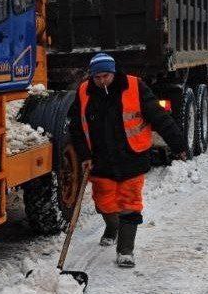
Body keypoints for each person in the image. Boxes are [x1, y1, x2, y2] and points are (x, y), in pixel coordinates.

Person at [68, 52, 188, 268]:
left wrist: (178, 144)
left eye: (106, 76)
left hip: (131, 156)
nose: (102, 81)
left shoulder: (134, 87)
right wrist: (84, 155)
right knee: (104, 202)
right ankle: (112, 227)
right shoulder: (84, 92)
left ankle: (125, 250)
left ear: (113, 73)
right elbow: (76, 128)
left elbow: (159, 117)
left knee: (130, 203)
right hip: (100, 159)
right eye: (97, 77)